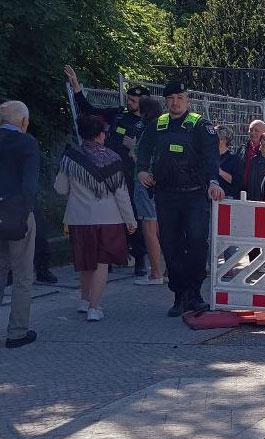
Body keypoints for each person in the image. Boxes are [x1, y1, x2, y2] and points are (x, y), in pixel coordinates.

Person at [136, 81, 223, 317]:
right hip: (167, 195)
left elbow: (211, 158)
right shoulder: (158, 125)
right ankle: (179, 295)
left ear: (187, 99)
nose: (176, 102)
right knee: (171, 246)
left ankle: (194, 294)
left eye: (180, 97)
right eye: (171, 98)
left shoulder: (199, 125)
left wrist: (214, 181)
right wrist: (142, 170)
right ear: (166, 101)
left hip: (195, 194)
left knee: (196, 244)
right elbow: (142, 149)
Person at [64, 65, 149, 275]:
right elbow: (90, 110)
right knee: (108, 213)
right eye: (129, 99)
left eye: (134, 101)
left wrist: (136, 147)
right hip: (107, 170)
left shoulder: (149, 123)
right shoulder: (119, 114)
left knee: (133, 213)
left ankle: (139, 259)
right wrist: (76, 87)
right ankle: (107, 260)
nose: (129, 103)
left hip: (131, 173)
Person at [55, 115, 137, 320]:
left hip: (79, 218)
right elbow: (121, 193)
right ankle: (94, 307)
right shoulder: (112, 158)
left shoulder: (70, 157)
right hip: (108, 218)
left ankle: (84, 300)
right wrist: (130, 220)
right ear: (102, 134)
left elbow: (60, 188)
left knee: (84, 261)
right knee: (101, 262)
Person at [0, 100, 40, 348]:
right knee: (23, 273)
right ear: (23, 122)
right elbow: (30, 184)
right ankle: (16, 332)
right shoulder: (27, 143)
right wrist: (25, 212)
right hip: (17, 212)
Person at [132, 95, 165, 286]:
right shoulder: (165, 128)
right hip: (162, 184)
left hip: (146, 183)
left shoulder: (146, 130)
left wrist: (131, 148)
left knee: (149, 230)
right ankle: (168, 270)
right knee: (163, 230)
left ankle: (155, 273)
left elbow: (137, 155)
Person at [241, 119, 265, 201]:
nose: (253, 133)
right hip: (241, 195)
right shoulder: (242, 150)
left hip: (260, 198)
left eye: (256, 131)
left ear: (264, 133)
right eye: (251, 130)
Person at [216, 125, 242, 198]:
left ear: (223, 140)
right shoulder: (210, 157)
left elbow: (237, 182)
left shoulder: (234, 159)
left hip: (227, 199)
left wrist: (220, 172)